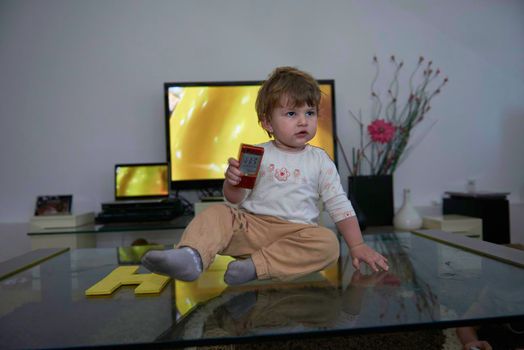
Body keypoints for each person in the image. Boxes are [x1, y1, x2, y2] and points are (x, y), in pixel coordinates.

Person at [142, 66, 389, 285]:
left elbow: (338, 205)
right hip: (252, 228)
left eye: (310, 113)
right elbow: (235, 199)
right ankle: (192, 257)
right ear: (267, 123)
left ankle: (254, 267)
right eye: (292, 114)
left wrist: (356, 245)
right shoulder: (257, 154)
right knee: (217, 213)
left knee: (328, 244)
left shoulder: (320, 161)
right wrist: (232, 182)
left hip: (297, 235)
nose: (303, 121)